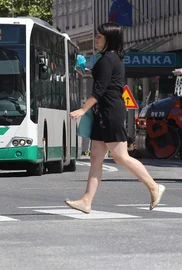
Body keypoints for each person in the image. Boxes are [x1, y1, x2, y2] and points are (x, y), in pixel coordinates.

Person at [66, 22, 165, 214]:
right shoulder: (109, 59)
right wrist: (85, 72)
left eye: (100, 37)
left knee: (120, 156)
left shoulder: (107, 60)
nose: (96, 39)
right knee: (96, 156)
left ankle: (154, 187)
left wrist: (83, 110)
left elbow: (100, 90)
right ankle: (86, 201)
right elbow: (102, 78)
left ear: (109, 40)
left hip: (110, 112)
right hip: (105, 112)